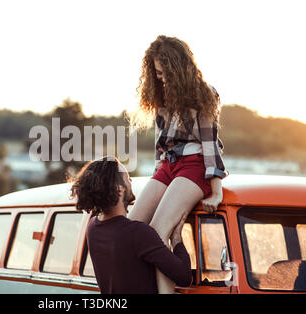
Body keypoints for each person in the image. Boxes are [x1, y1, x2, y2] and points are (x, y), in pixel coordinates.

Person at [128, 35, 229, 294]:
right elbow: (160, 144)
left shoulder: (205, 95)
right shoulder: (162, 97)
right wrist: (157, 178)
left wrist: (216, 190)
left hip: (194, 165)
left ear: (176, 69)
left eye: (162, 73)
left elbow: (210, 142)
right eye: (155, 72)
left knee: (156, 232)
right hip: (168, 166)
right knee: (132, 229)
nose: (159, 78)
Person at [70, 157, 192, 294]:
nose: (131, 181)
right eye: (127, 178)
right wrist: (177, 241)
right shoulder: (137, 233)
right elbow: (184, 277)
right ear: (119, 189)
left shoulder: (93, 227)